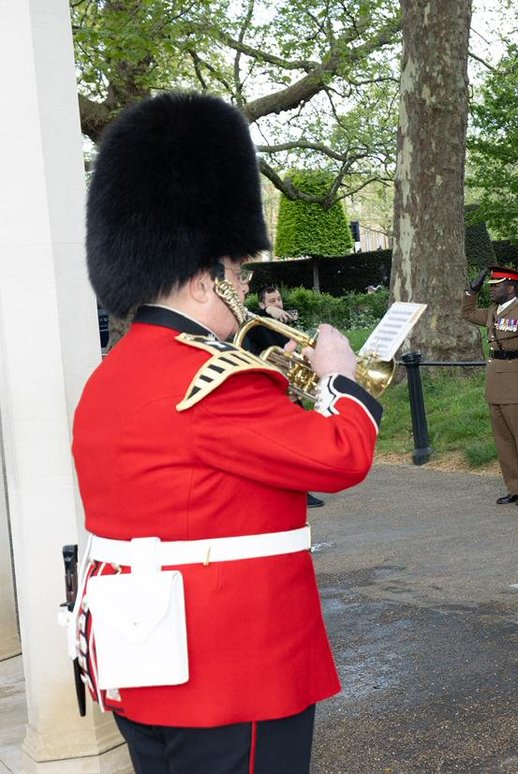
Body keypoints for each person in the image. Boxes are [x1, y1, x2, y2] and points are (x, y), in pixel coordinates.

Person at [71, 92, 382, 773]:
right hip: (232, 674)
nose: (242, 283)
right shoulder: (211, 380)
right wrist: (339, 378)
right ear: (209, 277)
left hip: (144, 664)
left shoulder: (110, 376)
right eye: (237, 270)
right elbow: (340, 456)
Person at [461, 266, 518, 505]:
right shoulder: (491, 312)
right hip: (496, 384)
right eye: (491, 286)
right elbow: (466, 313)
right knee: (504, 440)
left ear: (510, 287)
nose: (492, 290)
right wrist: (471, 290)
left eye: (496, 286)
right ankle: (514, 487)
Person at [243, 284, 326, 508]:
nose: (278, 304)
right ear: (261, 305)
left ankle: (299, 488)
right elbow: (259, 353)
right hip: (272, 389)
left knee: (300, 439)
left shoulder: (282, 325)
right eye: (272, 301)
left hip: (288, 388)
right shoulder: (257, 324)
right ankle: (298, 490)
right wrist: (269, 316)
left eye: (279, 300)